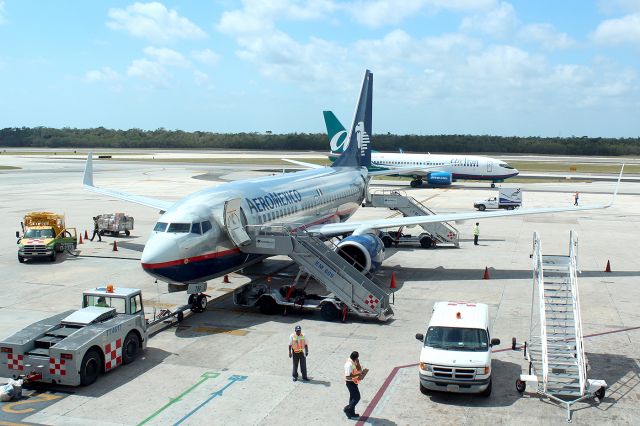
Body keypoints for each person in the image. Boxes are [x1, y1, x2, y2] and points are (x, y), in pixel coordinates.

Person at [344, 351, 366, 419]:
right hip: (350, 383)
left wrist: (358, 363)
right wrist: (358, 375)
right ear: (355, 358)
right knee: (357, 397)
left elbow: (356, 369)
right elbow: (347, 377)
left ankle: (351, 413)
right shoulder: (349, 364)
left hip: (353, 382)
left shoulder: (352, 362)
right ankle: (348, 408)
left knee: (353, 397)